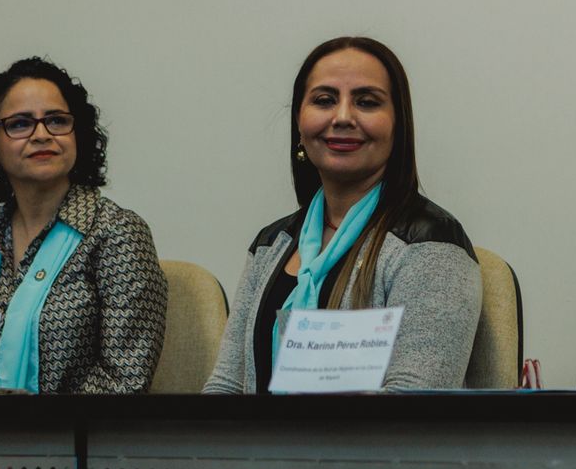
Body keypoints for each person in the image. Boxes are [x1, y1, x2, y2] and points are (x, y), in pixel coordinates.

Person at [205, 36, 482, 393]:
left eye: (367, 102)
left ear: (398, 126)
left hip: (369, 449)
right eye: (324, 100)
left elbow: (415, 411)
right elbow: (225, 387)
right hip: (259, 449)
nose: (343, 117)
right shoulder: (271, 245)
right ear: (300, 124)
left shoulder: (431, 244)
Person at [0, 57, 167, 393]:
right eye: (20, 124)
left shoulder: (116, 234)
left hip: (77, 441)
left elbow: (124, 380)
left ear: (80, 136)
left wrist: (27, 431)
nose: (42, 135)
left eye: (57, 121)